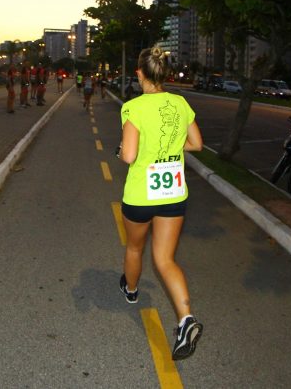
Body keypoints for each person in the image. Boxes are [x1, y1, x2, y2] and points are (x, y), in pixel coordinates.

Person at [117, 46, 204, 361]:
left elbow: (129, 155)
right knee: (165, 259)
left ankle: (131, 291)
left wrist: (127, 150)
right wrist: (170, 149)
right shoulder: (180, 103)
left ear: (139, 73)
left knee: (134, 248)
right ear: (164, 74)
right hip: (173, 195)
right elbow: (196, 144)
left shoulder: (134, 107)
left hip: (141, 195)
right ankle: (186, 320)